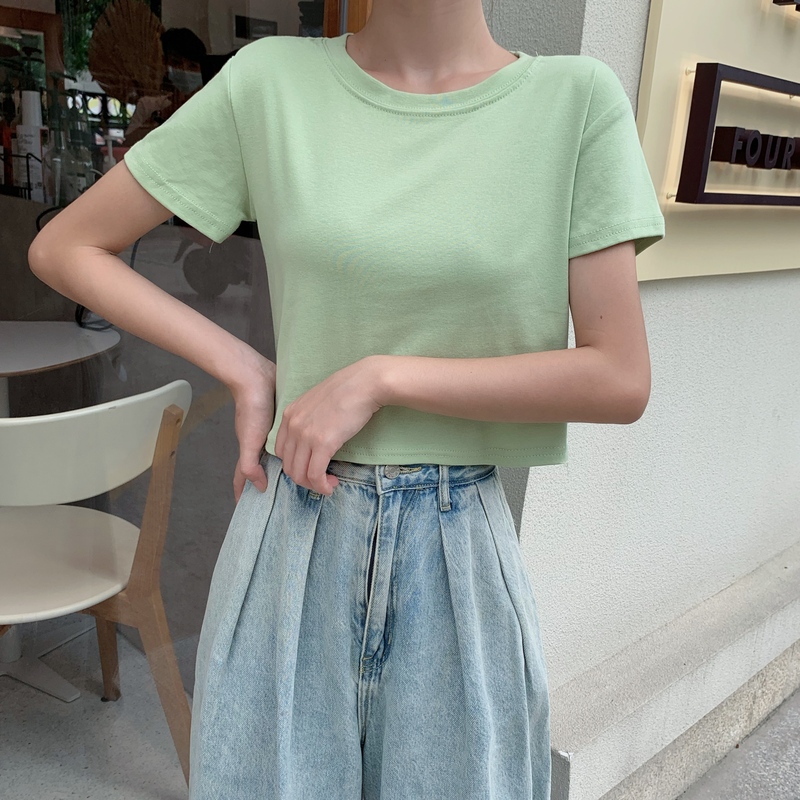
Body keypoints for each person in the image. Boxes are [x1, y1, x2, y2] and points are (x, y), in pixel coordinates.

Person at [27, 0, 665, 797]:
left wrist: (382, 378)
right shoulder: (271, 84)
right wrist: (243, 366)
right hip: (291, 535)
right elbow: (65, 246)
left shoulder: (575, 102)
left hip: (458, 550)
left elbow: (619, 375)